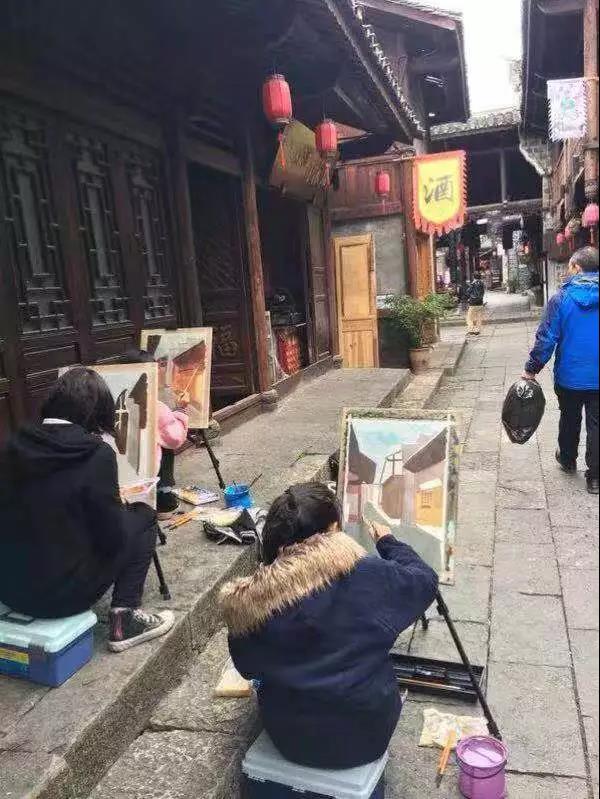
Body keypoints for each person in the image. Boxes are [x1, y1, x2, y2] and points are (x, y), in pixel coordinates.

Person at [219, 482, 438, 770]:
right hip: (369, 732)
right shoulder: (367, 574)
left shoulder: (250, 603)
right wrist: (388, 541)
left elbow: (247, 667)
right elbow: (424, 580)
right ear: (333, 528)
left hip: (291, 738)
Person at [0, 368, 174, 651]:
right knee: (143, 516)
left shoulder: (13, 443)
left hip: (11, 592)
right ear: (96, 412)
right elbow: (112, 536)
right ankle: (125, 617)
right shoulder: (95, 454)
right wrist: (121, 507)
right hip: (62, 598)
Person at [523, 246, 599, 495]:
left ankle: (567, 458)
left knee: (569, 417)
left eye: (569, 266)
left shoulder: (561, 299)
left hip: (569, 375)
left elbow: (547, 338)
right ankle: (595, 478)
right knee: (597, 423)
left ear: (576, 267)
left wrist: (531, 369)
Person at [113, 350, 189, 519]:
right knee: (165, 444)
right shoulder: (155, 406)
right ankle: (163, 500)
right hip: (144, 474)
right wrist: (181, 410)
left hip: (115, 473)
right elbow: (175, 438)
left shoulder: (110, 402)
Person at [466, 270, 486, 335]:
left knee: (469, 317)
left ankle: (471, 329)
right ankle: (477, 330)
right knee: (479, 317)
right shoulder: (482, 284)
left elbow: (468, 292)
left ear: (473, 277)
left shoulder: (473, 284)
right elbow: (483, 292)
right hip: (480, 302)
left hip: (473, 303)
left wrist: (471, 284)